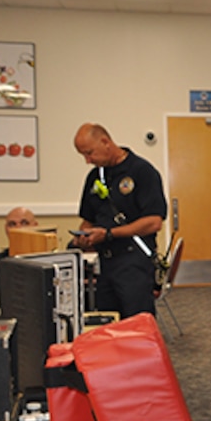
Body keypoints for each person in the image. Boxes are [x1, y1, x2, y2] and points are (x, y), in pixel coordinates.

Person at [72, 123, 167, 319]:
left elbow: (153, 222)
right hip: (104, 264)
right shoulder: (94, 177)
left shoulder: (142, 171)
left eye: (90, 153)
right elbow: (88, 220)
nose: (87, 160)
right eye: (84, 156)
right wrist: (84, 237)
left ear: (105, 142)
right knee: (109, 323)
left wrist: (108, 234)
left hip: (134, 262)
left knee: (137, 324)